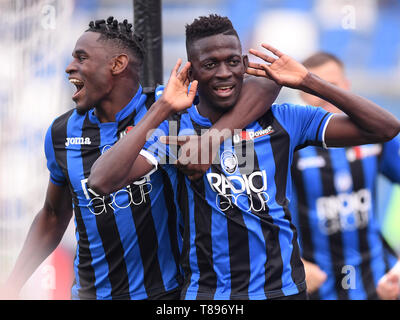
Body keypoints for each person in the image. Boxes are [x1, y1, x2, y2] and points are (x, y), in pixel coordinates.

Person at [88, 14, 400, 300]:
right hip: (211, 296)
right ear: (191, 70)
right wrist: (162, 107)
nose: (224, 73)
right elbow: (102, 181)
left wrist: (309, 81)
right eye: (210, 65)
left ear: (245, 63)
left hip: (285, 291)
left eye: (232, 62)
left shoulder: (285, 120)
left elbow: (386, 128)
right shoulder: (177, 132)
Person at [0, 17, 280, 300]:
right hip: (90, 294)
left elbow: (263, 85)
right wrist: (11, 286)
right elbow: (52, 215)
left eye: (82, 58)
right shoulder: (61, 133)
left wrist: (210, 138)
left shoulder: (172, 106)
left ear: (117, 64)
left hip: (165, 293)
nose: (70, 67)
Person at [289, 52, 400, 300]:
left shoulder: (375, 137)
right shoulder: (289, 146)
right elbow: (257, 215)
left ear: (347, 88)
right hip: (315, 288)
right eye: (316, 89)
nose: (325, 96)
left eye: (332, 87)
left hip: (378, 285)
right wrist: (290, 263)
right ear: (302, 94)